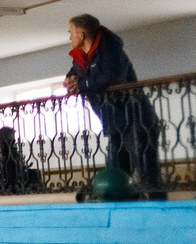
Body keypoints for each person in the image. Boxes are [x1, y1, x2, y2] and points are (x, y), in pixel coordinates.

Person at [64, 14, 162, 196]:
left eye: (71, 32)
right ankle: (123, 206)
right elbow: (76, 72)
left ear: (81, 35)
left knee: (146, 171)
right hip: (114, 121)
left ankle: (157, 205)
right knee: (116, 174)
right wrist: (69, 80)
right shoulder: (81, 56)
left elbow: (111, 77)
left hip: (136, 118)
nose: (69, 37)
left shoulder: (110, 49)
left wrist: (82, 86)